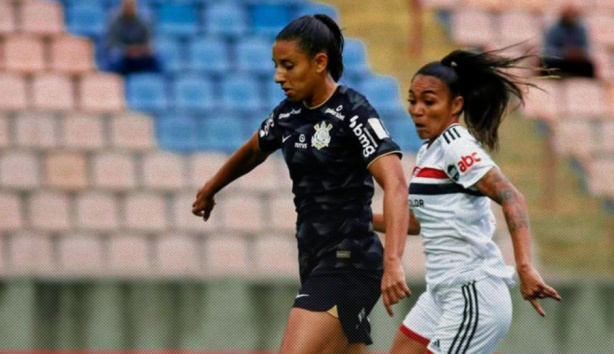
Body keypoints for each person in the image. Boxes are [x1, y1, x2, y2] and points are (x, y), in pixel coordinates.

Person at [192, 14, 411, 353]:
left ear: (320, 62)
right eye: (276, 65)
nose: (279, 76)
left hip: (349, 262)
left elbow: (395, 183)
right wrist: (211, 187)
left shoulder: (353, 112)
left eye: (289, 65)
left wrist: (394, 261)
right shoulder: (288, 115)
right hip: (314, 260)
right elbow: (253, 150)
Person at [373, 49, 562, 354]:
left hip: (473, 292)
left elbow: (511, 196)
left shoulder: (456, 147)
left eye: (429, 101)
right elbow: (418, 222)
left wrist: (524, 266)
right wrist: (355, 217)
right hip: (442, 292)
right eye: (412, 100)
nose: (417, 110)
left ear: (455, 105)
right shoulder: (428, 151)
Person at [106, 0, 160, 75]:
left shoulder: (143, 22)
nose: (129, 9)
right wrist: (127, 50)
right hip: (123, 55)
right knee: (115, 56)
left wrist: (140, 50)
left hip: (140, 53)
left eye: (131, 6)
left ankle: (153, 80)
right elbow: (112, 42)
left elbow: (148, 40)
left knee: (155, 58)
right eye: (127, 6)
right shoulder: (115, 22)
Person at [542, 5, 595, 78]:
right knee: (545, 64)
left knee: (588, 66)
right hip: (558, 62)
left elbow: (587, 49)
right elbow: (547, 50)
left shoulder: (581, 30)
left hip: (575, 63)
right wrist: (565, 53)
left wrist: (578, 53)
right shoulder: (554, 29)